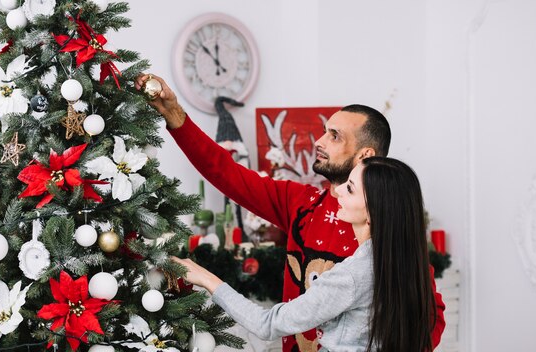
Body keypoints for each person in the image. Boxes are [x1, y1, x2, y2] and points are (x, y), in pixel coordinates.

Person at [135, 74, 445, 351]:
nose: (319, 141)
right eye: (324, 131)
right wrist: (175, 116)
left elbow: (428, 318)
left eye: (335, 136)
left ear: (365, 155)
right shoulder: (301, 202)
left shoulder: (390, 238)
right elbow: (226, 173)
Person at [174, 157, 437, 352]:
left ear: (373, 212)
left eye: (350, 188)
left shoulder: (353, 275)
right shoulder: (404, 264)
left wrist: (207, 279)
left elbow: (267, 324)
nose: (338, 190)